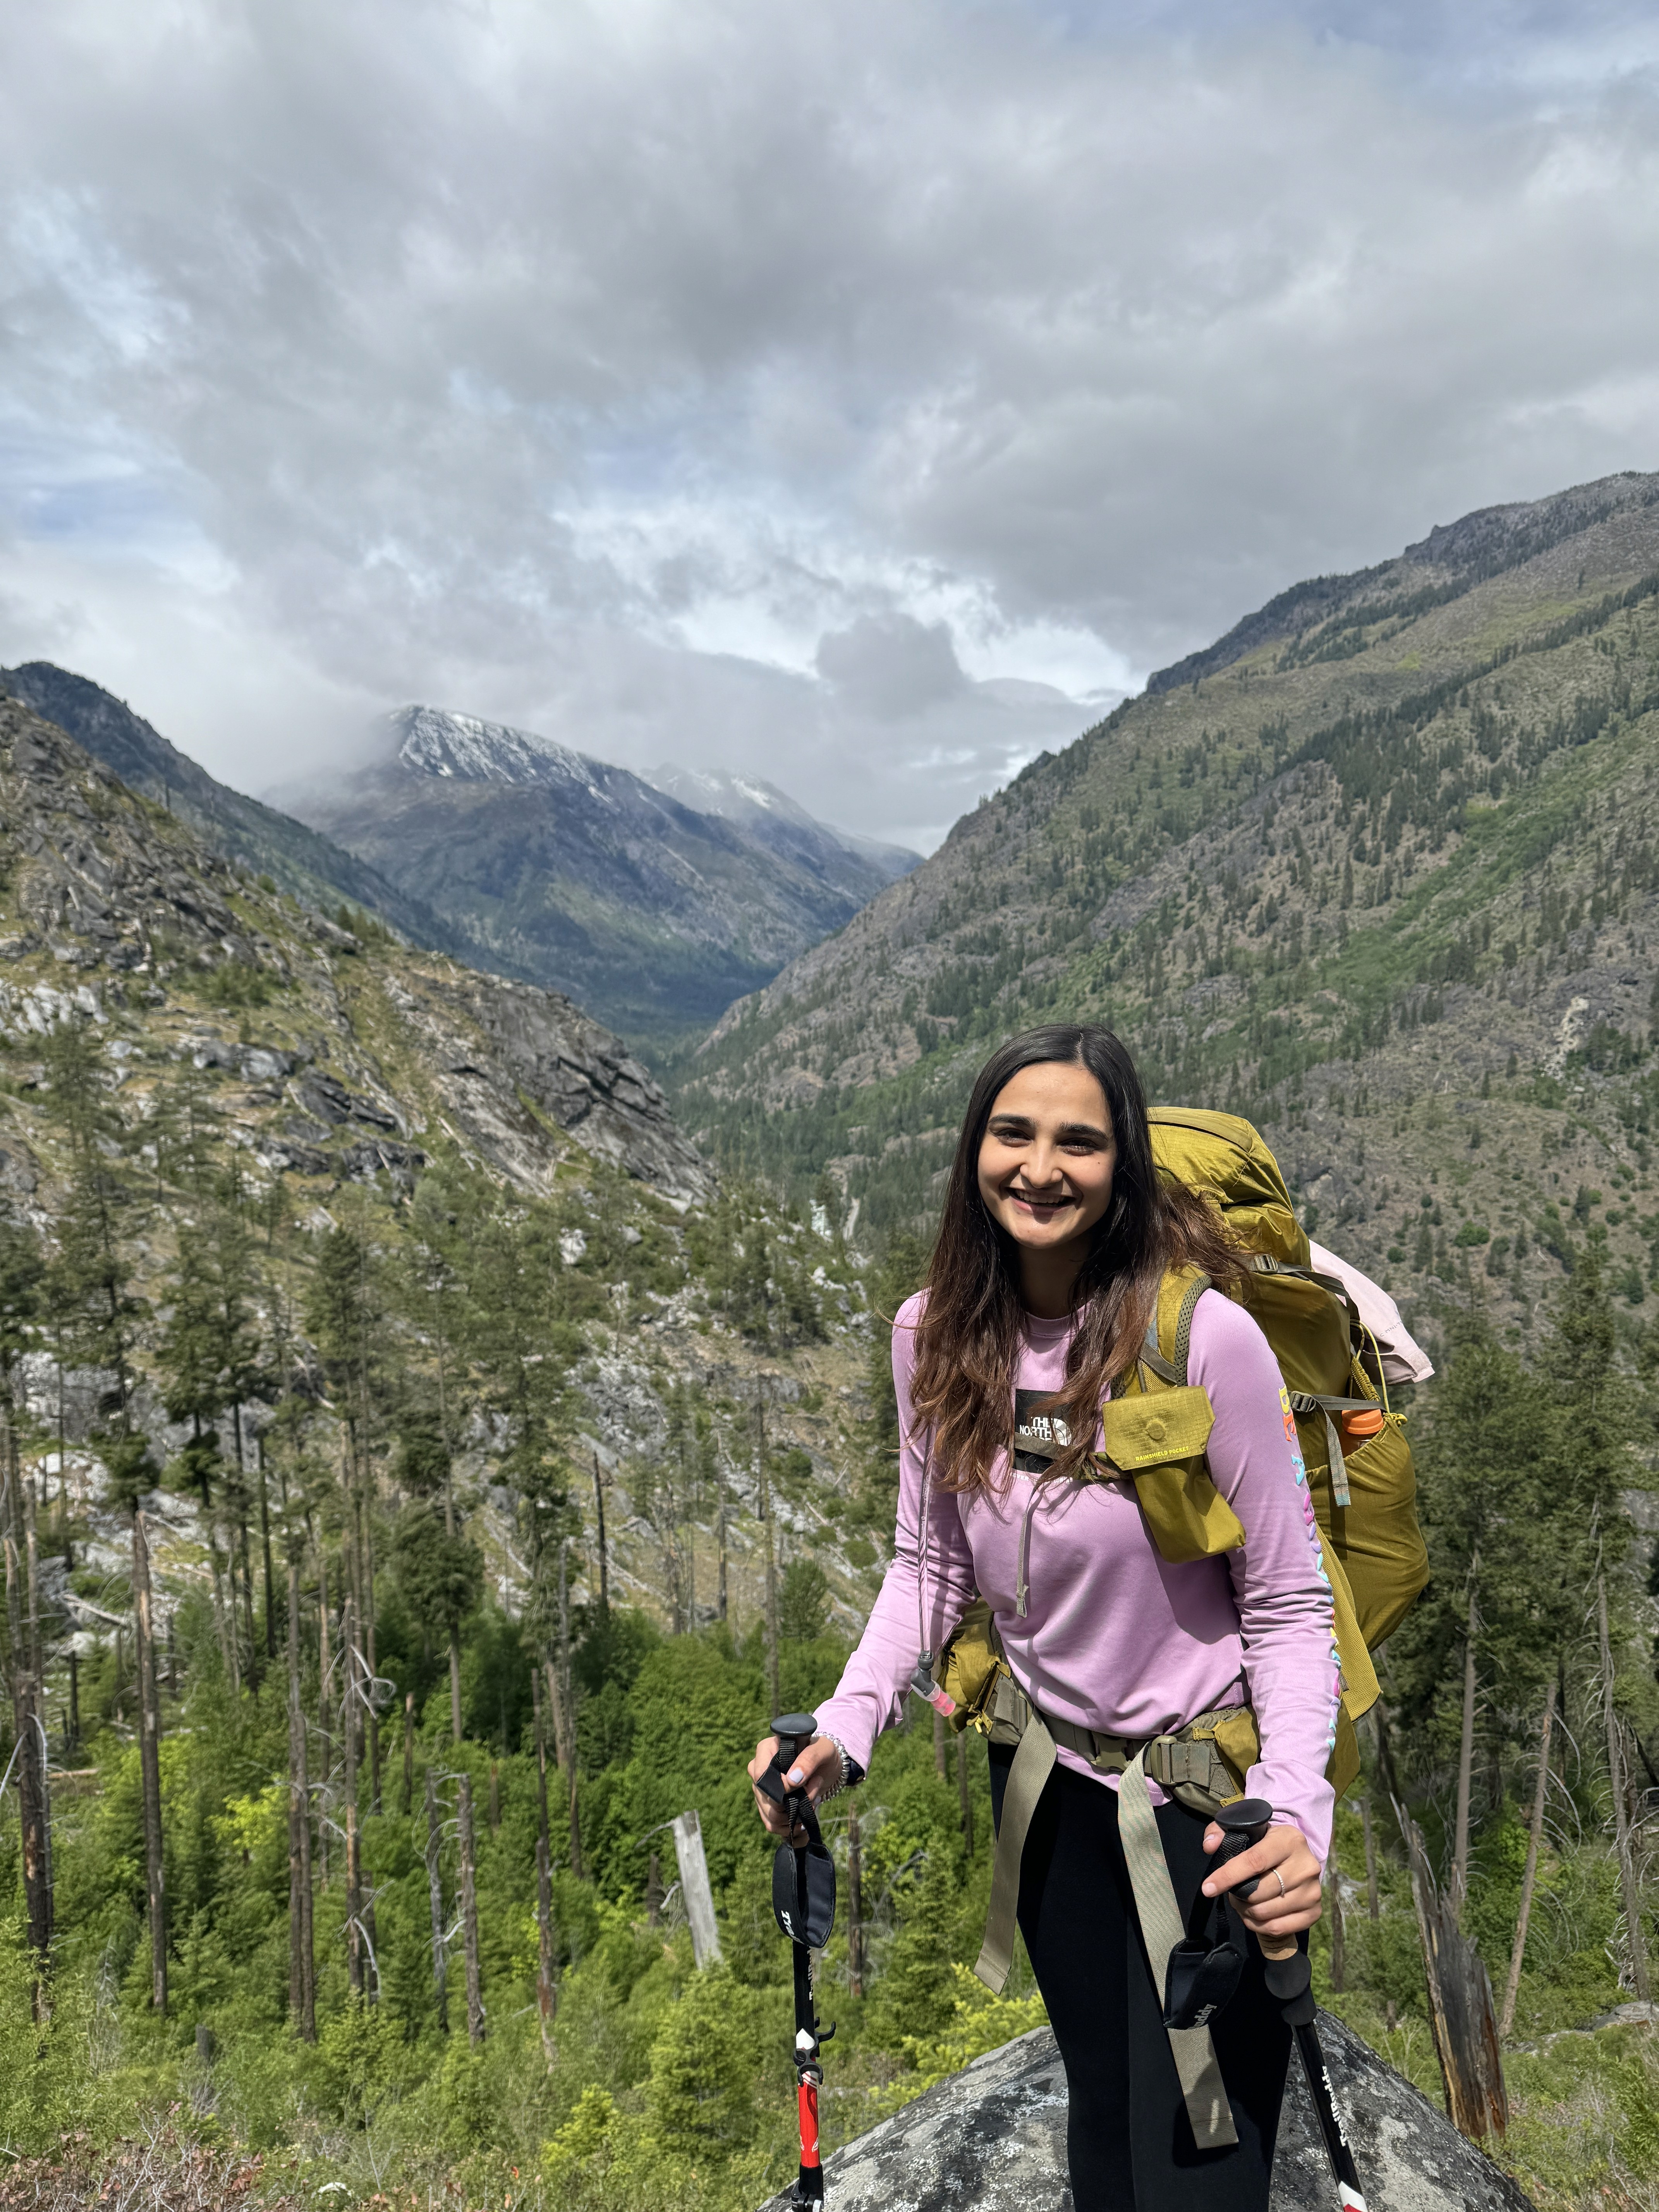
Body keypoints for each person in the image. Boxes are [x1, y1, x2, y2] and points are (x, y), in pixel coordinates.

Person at [747, 1024, 1337, 2212]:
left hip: (1205, 1821)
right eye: (1013, 1133)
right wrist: (845, 1726)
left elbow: (1285, 1603)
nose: (1040, 1166)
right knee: (1104, 2145)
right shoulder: (933, 1334)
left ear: (1121, 1169)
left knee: (1199, 2178)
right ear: (974, 1152)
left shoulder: (1200, 1340)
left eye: (1080, 1141)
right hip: (1052, 1802)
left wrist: (1299, 1816)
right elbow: (927, 1563)